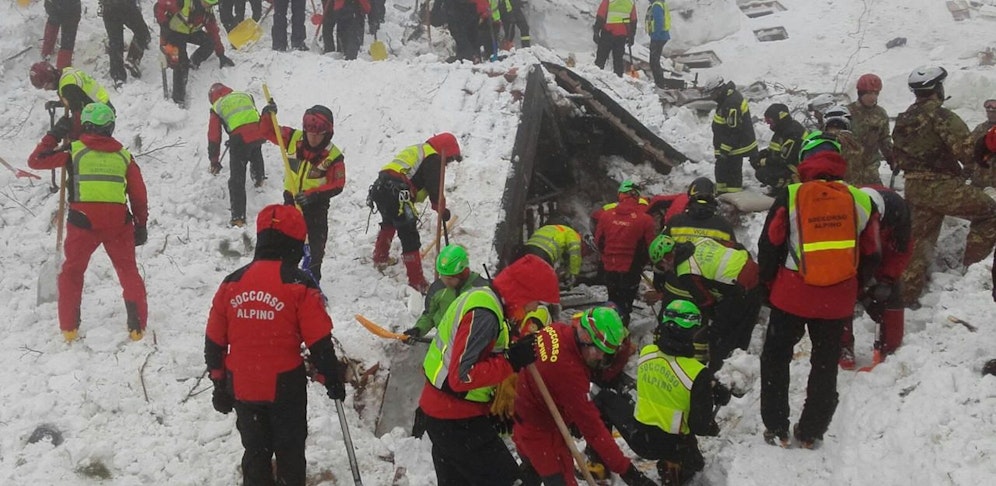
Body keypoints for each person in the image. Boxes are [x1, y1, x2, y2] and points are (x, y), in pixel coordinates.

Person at [204, 203, 346, 486]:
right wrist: (331, 376)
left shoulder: (232, 282)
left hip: (242, 384)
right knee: (290, 451)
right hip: (285, 387)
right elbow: (319, 341)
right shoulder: (299, 283)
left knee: (255, 452)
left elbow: (213, 341)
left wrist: (220, 384)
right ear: (295, 242)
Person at [757, 150, 880, 448]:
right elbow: (872, 252)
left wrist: (768, 285)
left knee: (775, 358)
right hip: (836, 300)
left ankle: (776, 427)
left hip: (791, 295)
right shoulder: (862, 200)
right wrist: (855, 288)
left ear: (805, 170)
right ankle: (811, 431)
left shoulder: (792, 195)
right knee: (825, 363)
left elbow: (769, 243)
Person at [418, 253, 560, 486]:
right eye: (535, 301)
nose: (534, 308)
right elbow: (461, 377)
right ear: (522, 292)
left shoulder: (482, 299)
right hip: (456, 421)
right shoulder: (484, 314)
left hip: (447, 415)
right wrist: (511, 361)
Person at [28, 102, 149, 343]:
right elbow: (138, 194)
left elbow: (36, 161)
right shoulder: (124, 156)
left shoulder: (74, 151)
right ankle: (137, 328)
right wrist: (141, 224)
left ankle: (70, 329)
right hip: (118, 224)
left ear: (85, 126)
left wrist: (55, 133)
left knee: (72, 273)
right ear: (110, 127)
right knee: (128, 272)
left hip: (82, 222)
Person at [512, 306, 655, 486]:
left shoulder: (557, 330)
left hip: (525, 416)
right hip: (542, 434)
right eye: (599, 351)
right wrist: (629, 472)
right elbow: (593, 431)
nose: (600, 357)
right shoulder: (569, 374)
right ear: (586, 339)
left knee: (531, 472)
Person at [892, 66, 996, 307]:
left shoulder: (904, 119)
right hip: (941, 186)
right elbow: (968, 153)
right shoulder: (942, 117)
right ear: (937, 88)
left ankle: (904, 299)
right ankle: (973, 272)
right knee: (990, 212)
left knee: (917, 245)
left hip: (914, 188)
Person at [595, 300, 729, 486]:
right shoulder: (697, 374)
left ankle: (597, 462)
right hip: (675, 445)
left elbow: (670, 374)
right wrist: (710, 394)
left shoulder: (648, 353)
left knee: (604, 398)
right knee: (692, 463)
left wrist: (709, 385)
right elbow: (700, 426)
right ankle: (677, 465)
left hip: (641, 437)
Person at [259, 101, 346, 283]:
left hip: (316, 205)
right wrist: (267, 115)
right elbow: (267, 131)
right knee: (286, 239)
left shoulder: (333, 156)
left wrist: (313, 195)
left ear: (327, 133)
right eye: (310, 133)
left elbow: (338, 183)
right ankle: (286, 276)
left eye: (318, 134)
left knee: (315, 244)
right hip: (291, 200)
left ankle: (312, 278)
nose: (313, 138)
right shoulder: (292, 138)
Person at [648, 234, 760, 372]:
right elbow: (737, 246)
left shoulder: (685, 271)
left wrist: (712, 320)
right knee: (744, 328)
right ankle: (740, 363)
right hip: (754, 274)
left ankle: (718, 373)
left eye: (661, 265)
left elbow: (706, 301)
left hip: (740, 289)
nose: (665, 270)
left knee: (719, 335)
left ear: (666, 259)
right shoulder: (701, 240)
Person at [368, 133, 462, 293]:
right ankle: (417, 281)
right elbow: (435, 190)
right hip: (398, 192)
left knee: (389, 222)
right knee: (409, 234)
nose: (447, 164)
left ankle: (380, 257)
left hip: (381, 187)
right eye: (449, 160)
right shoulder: (434, 159)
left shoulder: (420, 150)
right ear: (446, 152)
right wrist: (441, 209)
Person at [839, 186, 912, 370]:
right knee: (842, 294)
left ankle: (890, 347)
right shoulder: (846, 213)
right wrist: (862, 293)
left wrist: (887, 279)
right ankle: (843, 345)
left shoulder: (898, 210)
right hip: (853, 257)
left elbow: (903, 249)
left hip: (885, 252)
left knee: (892, 295)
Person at [594, 180, 657, 323]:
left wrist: (608, 257)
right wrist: (641, 262)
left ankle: (608, 330)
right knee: (625, 305)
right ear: (637, 197)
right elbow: (651, 247)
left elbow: (599, 242)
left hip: (609, 268)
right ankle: (622, 332)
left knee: (612, 302)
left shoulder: (606, 215)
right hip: (631, 270)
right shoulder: (645, 219)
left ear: (621, 195)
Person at [207, 83, 267, 227]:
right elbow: (248, 117)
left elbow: (214, 136)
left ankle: (238, 218)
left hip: (240, 139)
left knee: (236, 180)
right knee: (255, 150)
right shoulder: (244, 95)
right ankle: (259, 179)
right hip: (259, 131)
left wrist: (214, 160)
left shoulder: (217, 106)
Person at [155, 0, 235, 107]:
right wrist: (164, 24)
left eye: (211, 4)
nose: (208, 5)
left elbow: (214, 32)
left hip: (190, 32)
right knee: (181, 64)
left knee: (210, 42)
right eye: (207, 2)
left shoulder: (207, 13)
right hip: (174, 33)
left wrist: (220, 54)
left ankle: (194, 61)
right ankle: (178, 98)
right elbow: (158, 7)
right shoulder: (182, 2)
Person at [403, 244, 489, 341]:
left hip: (472, 343)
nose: (444, 281)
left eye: (449, 278)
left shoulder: (481, 289)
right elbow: (429, 315)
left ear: (463, 274)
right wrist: (418, 330)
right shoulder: (437, 290)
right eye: (442, 276)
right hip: (445, 341)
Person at [702, 77, 759, 194]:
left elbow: (734, 130)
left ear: (718, 90)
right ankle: (723, 194)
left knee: (732, 174)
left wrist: (724, 150)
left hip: (735, 146)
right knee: (721, 170)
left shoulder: (731, 103)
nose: (710, 97)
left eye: (711, 94)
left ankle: (734, 196)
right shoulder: (726, 98)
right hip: (729, 144)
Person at [30, 65, 114, 143]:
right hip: (102, 107)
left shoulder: (68, 87)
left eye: (46, 86)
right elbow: (78, 97)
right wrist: (58, 104)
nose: (46, 89)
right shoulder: (66, 73)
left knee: (85, 147)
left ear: (51, 78)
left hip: (100, 117)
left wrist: (72, 140)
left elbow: (78, 115)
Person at [847, 74, 895, 184]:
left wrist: (892, 158)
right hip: (849, 172)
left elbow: (884, 139)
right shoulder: (847, 113)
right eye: (869, 93)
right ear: (860, 93)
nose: (873, 97)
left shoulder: (880, 114)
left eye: (876, 93)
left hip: (871, 172)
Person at [99, 0, 151, 86]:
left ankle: (118, 76)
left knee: (115, 42)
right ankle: (132, 59)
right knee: (142, 33)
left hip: (109, 8)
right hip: (126, 7)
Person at [755, 103, 805, 191]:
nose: (769, 124)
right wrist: (763, 153)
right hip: (785, 163)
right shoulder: (782, 129)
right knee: (755, 160)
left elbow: (785, 159)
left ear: (780, 118)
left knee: (762, 173)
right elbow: (776, 148)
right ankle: (779, 184)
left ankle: (786, 188)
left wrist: (763, 161)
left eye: (770, 121)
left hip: (795, 168)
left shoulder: (793, 132)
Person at [821, 105, 873, 185]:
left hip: (834, 188)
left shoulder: (828, 142)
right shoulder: (855, 143)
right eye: (832, 127)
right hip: (853, 189)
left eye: (836, 127)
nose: (834, 130)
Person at [593, 0, 637, 77]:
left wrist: (596, 31)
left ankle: (595, 77)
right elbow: (633, 20)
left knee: (601, 58)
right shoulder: (630, 2)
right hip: (621, 35)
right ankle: (618, 79)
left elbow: (601, 15)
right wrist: (631, 35)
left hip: (608, 32)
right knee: (618, 60)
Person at [40, 0, 81, 70]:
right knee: (68, 39)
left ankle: (45, 55)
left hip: (53, 4)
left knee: (53, 21)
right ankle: (62, 70)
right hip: (71, 8)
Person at [969, 99, 996, 189]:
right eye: (989, 111)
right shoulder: (980, 129)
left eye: (994, 111)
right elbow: (968, 149)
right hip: (978, 181)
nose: (991, 113)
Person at [645, 0, 670, 89]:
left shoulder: (656, 6)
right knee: (655, 61)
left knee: (654, 62)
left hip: (658, 36)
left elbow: (659, 22)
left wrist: (655, 36)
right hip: (661, 36)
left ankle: (660, 84)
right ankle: (660, 83)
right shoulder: (660, 3)